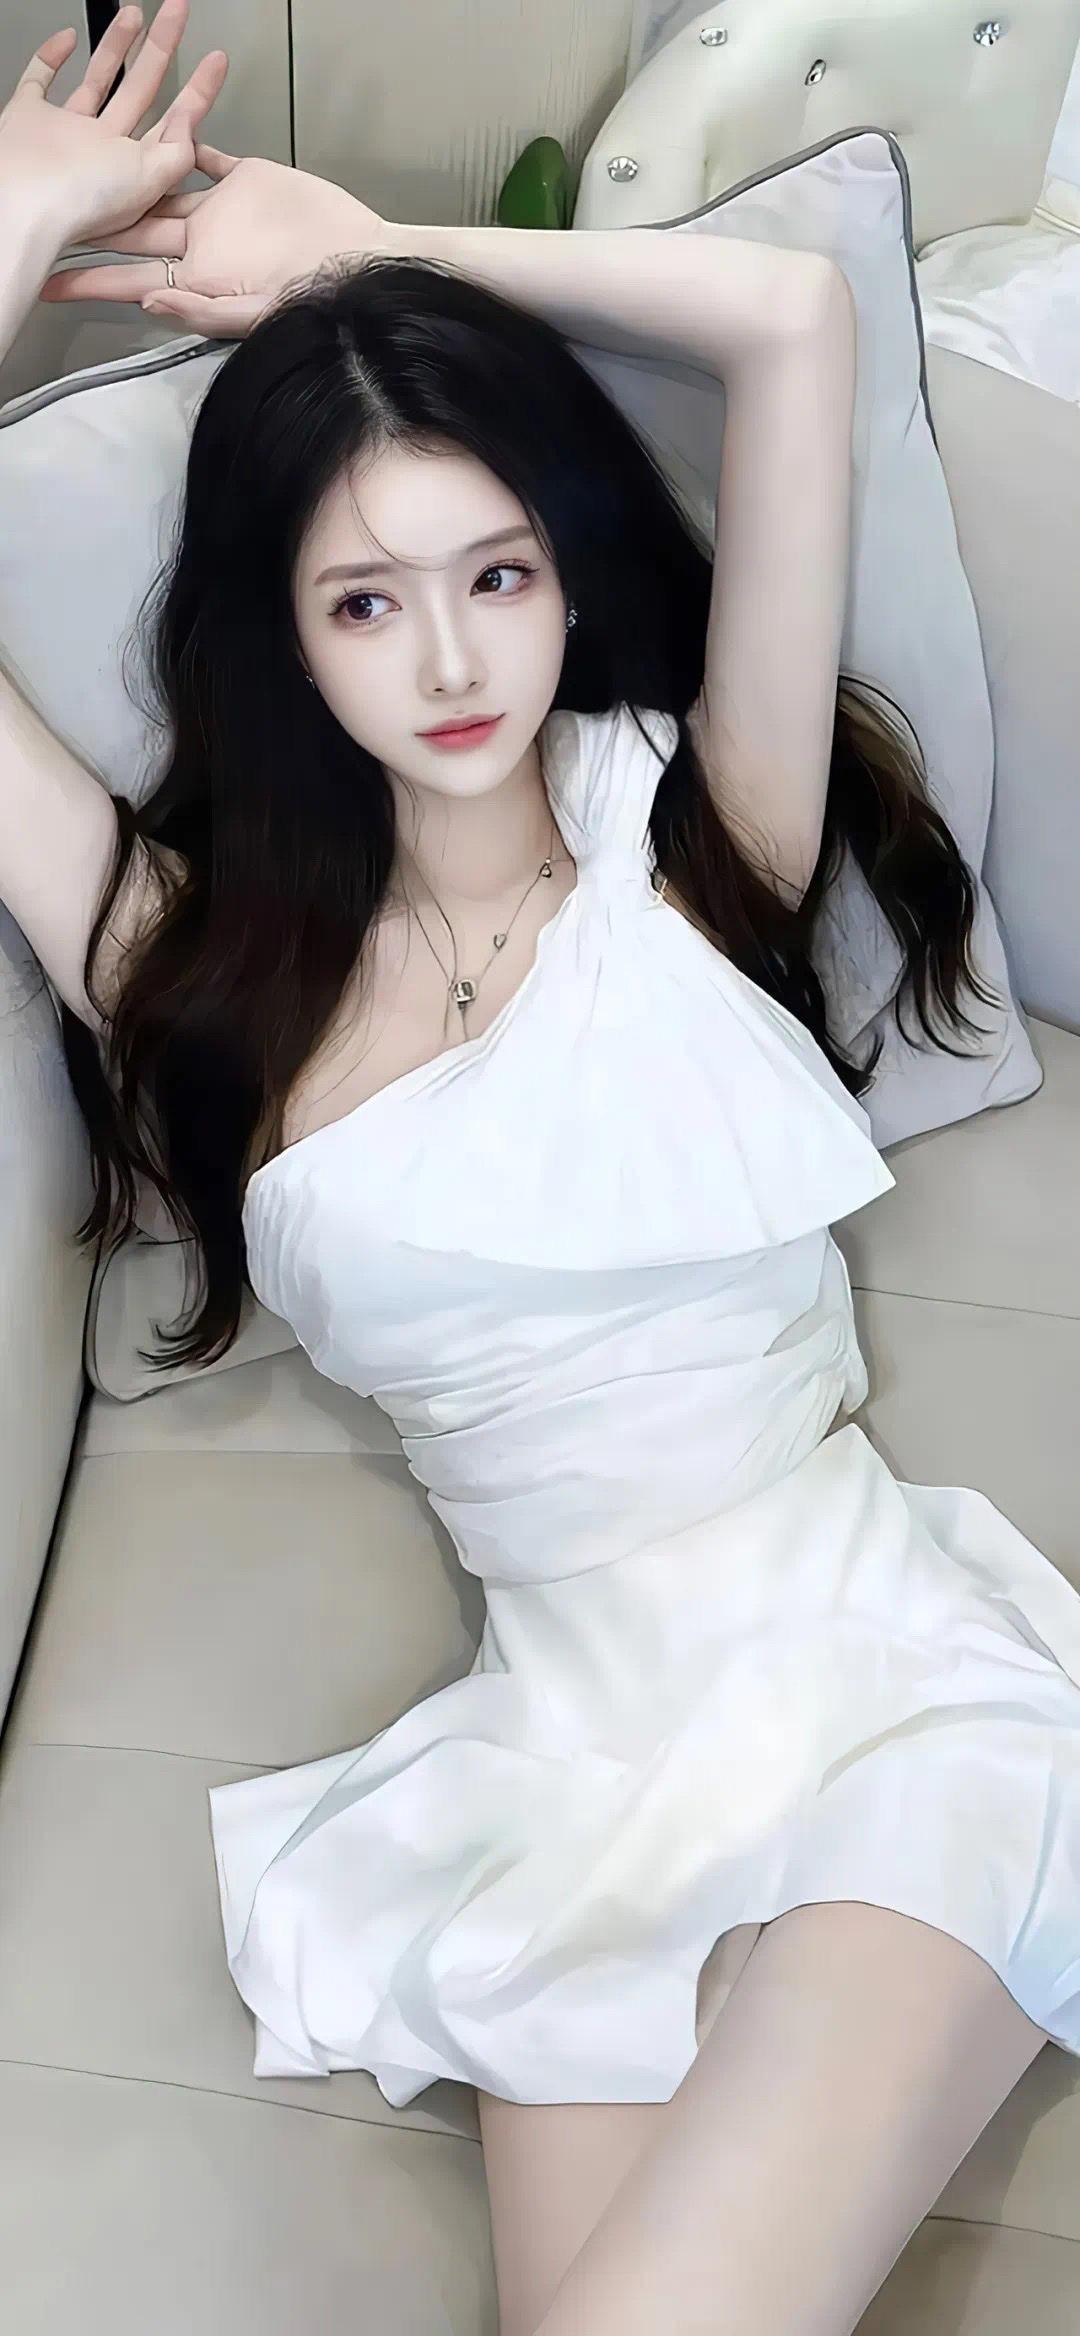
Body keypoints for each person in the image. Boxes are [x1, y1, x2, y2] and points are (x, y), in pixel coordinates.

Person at [1, 12, 1077, 2336]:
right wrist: (9, 237)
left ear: (569, 578)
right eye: (364, 601)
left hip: (884, 1688)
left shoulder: (695, 836)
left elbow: (789, 321)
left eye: (493, 574)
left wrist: (362, 258)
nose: (449, 659)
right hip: (565, 1769)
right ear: (283, 638)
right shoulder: (204, 971)